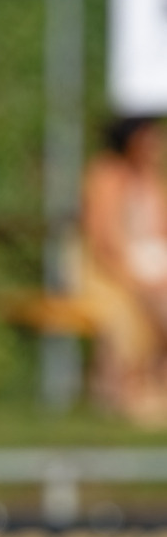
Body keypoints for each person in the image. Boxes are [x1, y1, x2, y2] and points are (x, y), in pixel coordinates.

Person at [81, 116, 167, 422]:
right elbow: (104, 241)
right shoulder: (107, 177)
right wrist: (137, 277)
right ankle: (136, 387)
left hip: (152, 264)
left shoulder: (150, 178)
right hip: (114, 269)